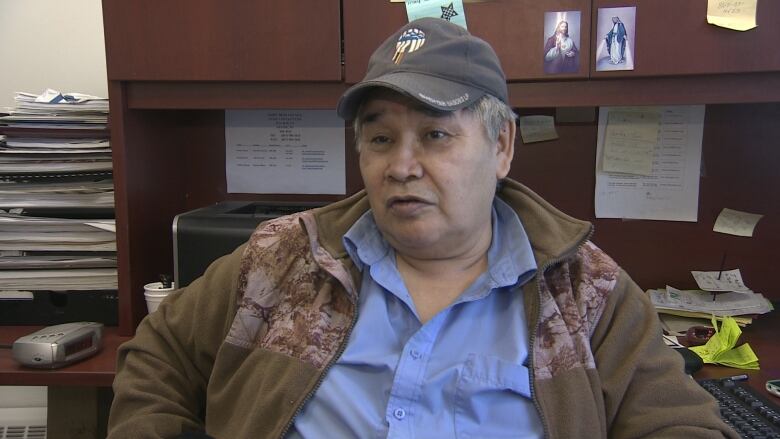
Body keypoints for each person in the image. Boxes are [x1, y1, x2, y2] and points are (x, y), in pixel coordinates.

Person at [107, 17, 737, 438]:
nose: (400, 166)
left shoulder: (586, 291)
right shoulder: (282, 259)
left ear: (502, 146)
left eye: (435, 135)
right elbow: (155, 359)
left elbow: (680, 426)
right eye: (380, 138)